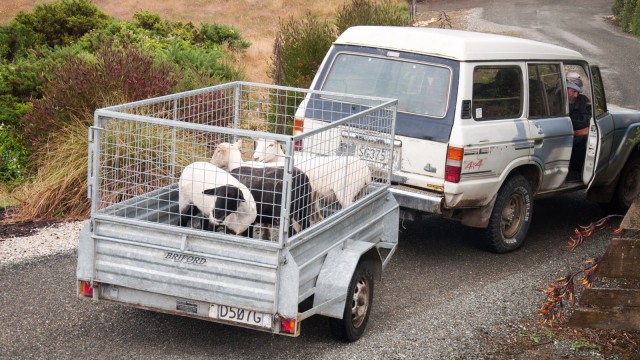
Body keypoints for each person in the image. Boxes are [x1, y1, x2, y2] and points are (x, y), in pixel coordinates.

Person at [566, 73, 591, 171]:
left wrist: (574, 133)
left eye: (578, 92)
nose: (576, 95)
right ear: (565, 87)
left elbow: (592, 128)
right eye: (574, 91)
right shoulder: (552, 100)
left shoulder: (583, 101)